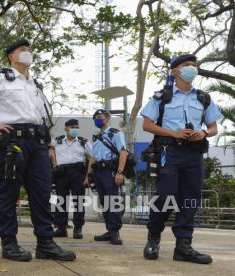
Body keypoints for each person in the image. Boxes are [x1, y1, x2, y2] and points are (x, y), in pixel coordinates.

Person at [0, 39, 76, 262]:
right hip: (12, 141)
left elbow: (41, 119)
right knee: (9, 192)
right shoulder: (1, 76)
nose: (27, 53)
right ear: (10, 56)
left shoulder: (35, 84)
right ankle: (9, 244)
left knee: (42, 193)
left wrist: (49, 145)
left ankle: (45, 244)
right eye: (22, 50)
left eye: (29, 50)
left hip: (37, 143)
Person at [140, 54, 223, 264]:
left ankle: (183, 246)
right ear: (175, 71)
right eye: (187, 66)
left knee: (190, 198)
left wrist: (204, 133)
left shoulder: (203, 98)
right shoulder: (161, 97)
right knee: (165, 196)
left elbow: (213, 127)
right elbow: (147, 125)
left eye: (194, 66)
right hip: (170, 152)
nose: (192, 69)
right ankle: (153, 237)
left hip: (194, 153)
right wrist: (173, 133)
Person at [84, 109, 127, 245]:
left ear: (107, 118)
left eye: (100, 117)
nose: (97, 119)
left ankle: (115, 231)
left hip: (110, 171)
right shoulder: (96, 137)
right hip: (98, 172)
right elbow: (93, 158)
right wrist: (88, 175)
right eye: (95, 117)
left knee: (113, 201)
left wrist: (120, 172)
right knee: (104, 201)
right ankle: (109, 229)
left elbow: (123, 153)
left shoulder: (115, 133)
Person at [50, 119, 92, 239]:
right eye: (72, 127)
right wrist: (53, 163)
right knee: (61, 201)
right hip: (61, 173)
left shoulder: (83, 142)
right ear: (66, 128)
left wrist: (88, 176)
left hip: (78, 173)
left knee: (78, 201)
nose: (75, 129)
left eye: (77, 127)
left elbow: (94, 156)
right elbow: (48, 149)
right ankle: (61, 228)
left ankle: (78, 228)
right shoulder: (57, 141)